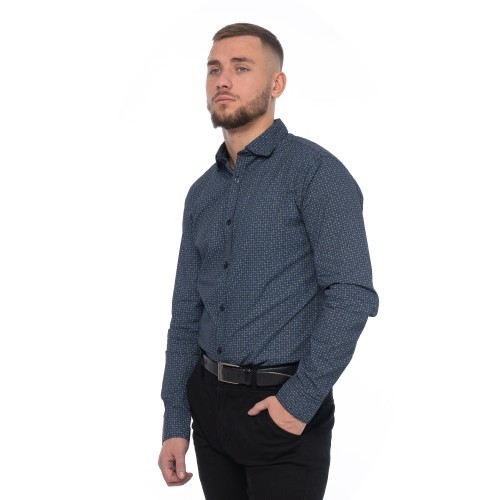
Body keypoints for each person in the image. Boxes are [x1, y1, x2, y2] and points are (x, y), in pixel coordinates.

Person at [158, 22, 379, 500]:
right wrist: (175, 420)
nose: (223, 80)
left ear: (276, 84)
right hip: (208, 411)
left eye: (241, 68)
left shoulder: (317, 173)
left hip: (281, 408)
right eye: (214, 69)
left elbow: (352, 294)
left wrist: (298, 402)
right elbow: (186, 315)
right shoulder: (201, 193)